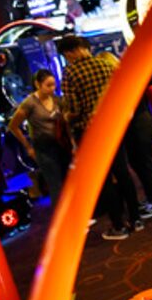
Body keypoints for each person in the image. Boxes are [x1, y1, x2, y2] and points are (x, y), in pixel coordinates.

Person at [57, 35, 142, 240]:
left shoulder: (71, 72)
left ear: (70, 52)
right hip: (113, 125)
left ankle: (119, 226)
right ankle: (136, 219)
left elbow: (75, 109)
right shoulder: (106, 65)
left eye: (67, 55)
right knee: (123, 173)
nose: (68, 59)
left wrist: (67, 116)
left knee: (103, 178)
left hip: (90, 131)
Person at [95, 51, 152, 220]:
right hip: (141, 122)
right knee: (142, 162)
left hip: (137, 125)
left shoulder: (122, 81)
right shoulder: (128, 77)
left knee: (143, 163)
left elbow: (128, 109)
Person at [8, 69, 72, 207]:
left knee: (69, 181)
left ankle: (77, 215)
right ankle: (62, 220)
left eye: (54, 85)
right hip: (44, 149)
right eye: (48, 85)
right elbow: (13, 126)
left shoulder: (56, 99)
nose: (52, 88)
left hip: (61, 145)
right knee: (56, 185)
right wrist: (28, 147)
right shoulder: (30, 103)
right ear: (38, 84)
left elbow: (65, 123)